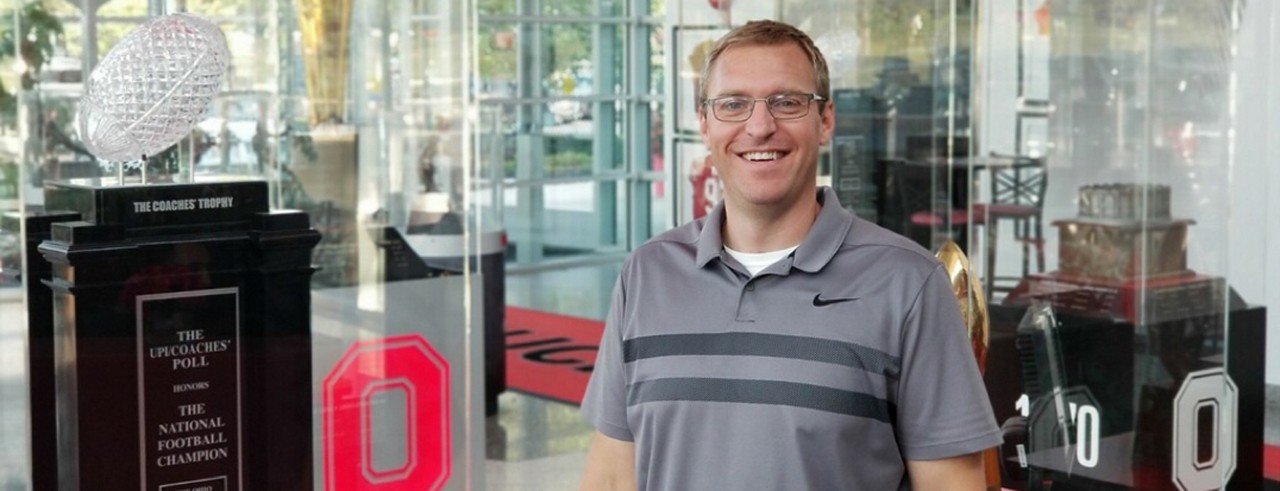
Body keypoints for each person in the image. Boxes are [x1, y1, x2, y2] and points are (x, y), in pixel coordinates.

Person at [579, 19, 1001, 490]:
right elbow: (613, 477)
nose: (760, 127)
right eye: (733, 104)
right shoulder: (647, 273)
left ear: (825, 121)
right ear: (704, 123)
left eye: (787, 102)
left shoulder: (908, 283)